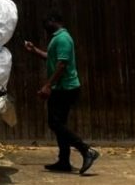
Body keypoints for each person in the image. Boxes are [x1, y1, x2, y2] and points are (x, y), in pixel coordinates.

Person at [24, 12, 100, 175]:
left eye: (47, 22)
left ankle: (86, 150)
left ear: (55, 21)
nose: (45, 26)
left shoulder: (63, 38)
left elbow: (62, 65)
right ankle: (64, 161)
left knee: (55, 123)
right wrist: (34, 50)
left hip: (65, 88)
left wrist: (47, 86)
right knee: (60, 125)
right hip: (62, 88)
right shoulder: (57, 39)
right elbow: (52, 58)